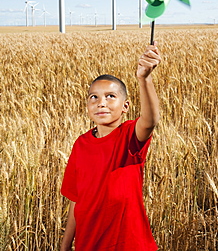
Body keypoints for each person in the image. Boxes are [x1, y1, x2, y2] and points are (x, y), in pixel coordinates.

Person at [60, 41, 161, 251]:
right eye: (93, 97)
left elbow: (150, 121)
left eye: (110, 96)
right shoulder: (81, 144)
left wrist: (145, 79)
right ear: (87, 106)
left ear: (125, 107)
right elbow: (76, 201)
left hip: (129, 243)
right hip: (89, 243)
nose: (101, 103)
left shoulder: (130, 136)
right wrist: (64, 246)